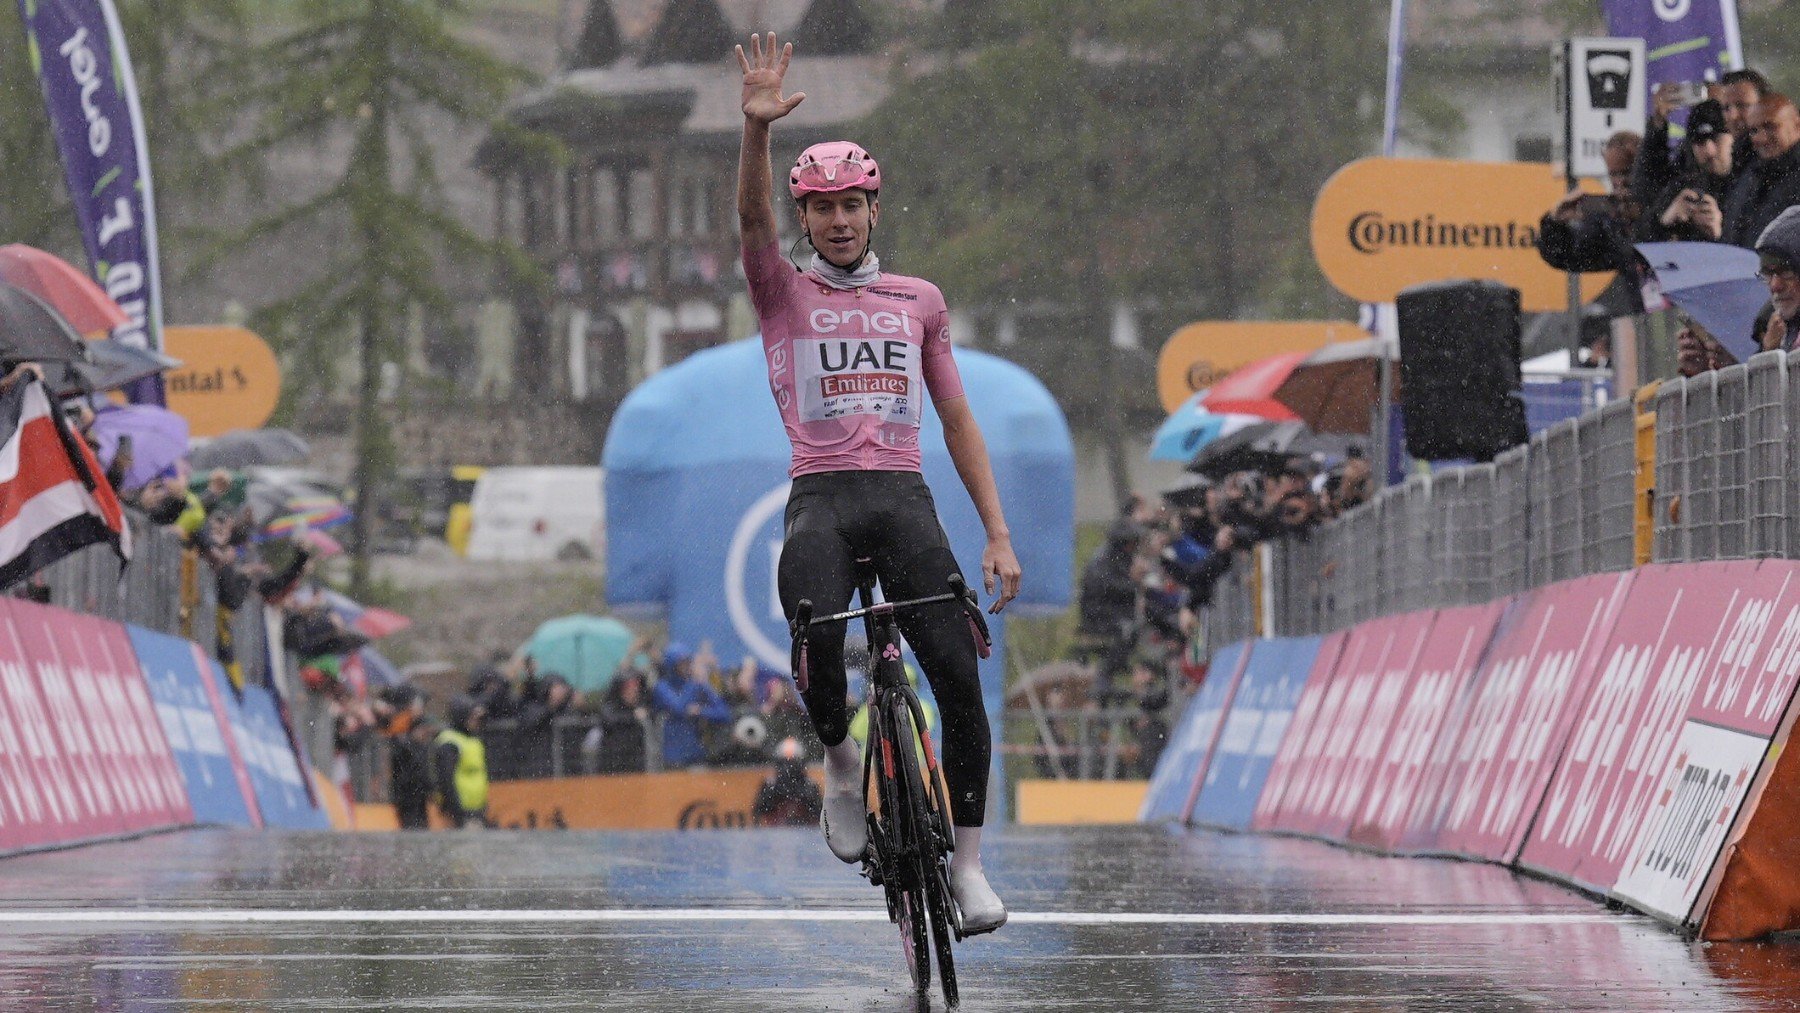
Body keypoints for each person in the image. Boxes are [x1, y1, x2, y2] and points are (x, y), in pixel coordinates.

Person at [736, 32, 1020, 933]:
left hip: (903, 496)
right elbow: (748, 223)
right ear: (805, 217)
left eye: (852, 205)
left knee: (959, 686)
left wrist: (998, 531)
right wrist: (755, 132)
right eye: (821, 209)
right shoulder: (781, 290)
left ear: (873, 207)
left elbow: (959, 420)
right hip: (821, 494)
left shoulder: (919, 300)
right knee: (816, 632)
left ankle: (969, 869)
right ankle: (837, 758)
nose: (839, 221)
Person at [1641, 100, 1736, 243]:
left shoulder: (1753, 184)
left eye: (1716, 139)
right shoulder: (1683, 187)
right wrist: (1665, 223)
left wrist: (1720, 235)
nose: (1709, 151)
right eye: (1700, 142)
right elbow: (1640, 246)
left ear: (1733, 138)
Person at [1723, 95, 1800, 249]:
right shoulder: (1749, 174)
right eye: (1753, 130)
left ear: (1797, 126)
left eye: (1770, 127)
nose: (1761, 138)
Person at [650, 642, 732, 768]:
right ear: (672, 665)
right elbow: (679, 708)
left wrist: (701, 711)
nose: (686, 667)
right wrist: (693, 683)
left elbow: (725, 713)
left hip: (696, 754)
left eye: (688, 662)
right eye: (682, 663)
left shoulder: (696, 684)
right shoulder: (662, 687)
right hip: (673, 757)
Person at [434, 694, 491, 828]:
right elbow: (446, 780)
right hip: (459, 812)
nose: (476, 722)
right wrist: (456, 811)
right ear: (462, 717)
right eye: (472, 718)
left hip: (476, 809)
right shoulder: (450, 741)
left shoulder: (472, 739)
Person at [753, 736, 824, 827]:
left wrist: (805, 796)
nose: (788, 769)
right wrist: (774, 794)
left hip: (805, 833)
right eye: (784, 764)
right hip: (775, 833)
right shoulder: (770, 785)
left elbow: (819, 815)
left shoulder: (810, 786)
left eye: (793, 764)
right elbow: (759, 812)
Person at [1756, 206, 1800, 352]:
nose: (1775, 286)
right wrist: (1769, 351)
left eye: (1787, 272)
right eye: (1767, 274)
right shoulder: (1771, 328)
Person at [592, 669, 650, 773]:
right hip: (612, 762)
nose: (633, 693)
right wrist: (632, 717)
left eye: (636, 689)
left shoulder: (641, 706)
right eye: (629, 689)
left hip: (635, 760)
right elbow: (609, 720)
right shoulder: (610, 705)